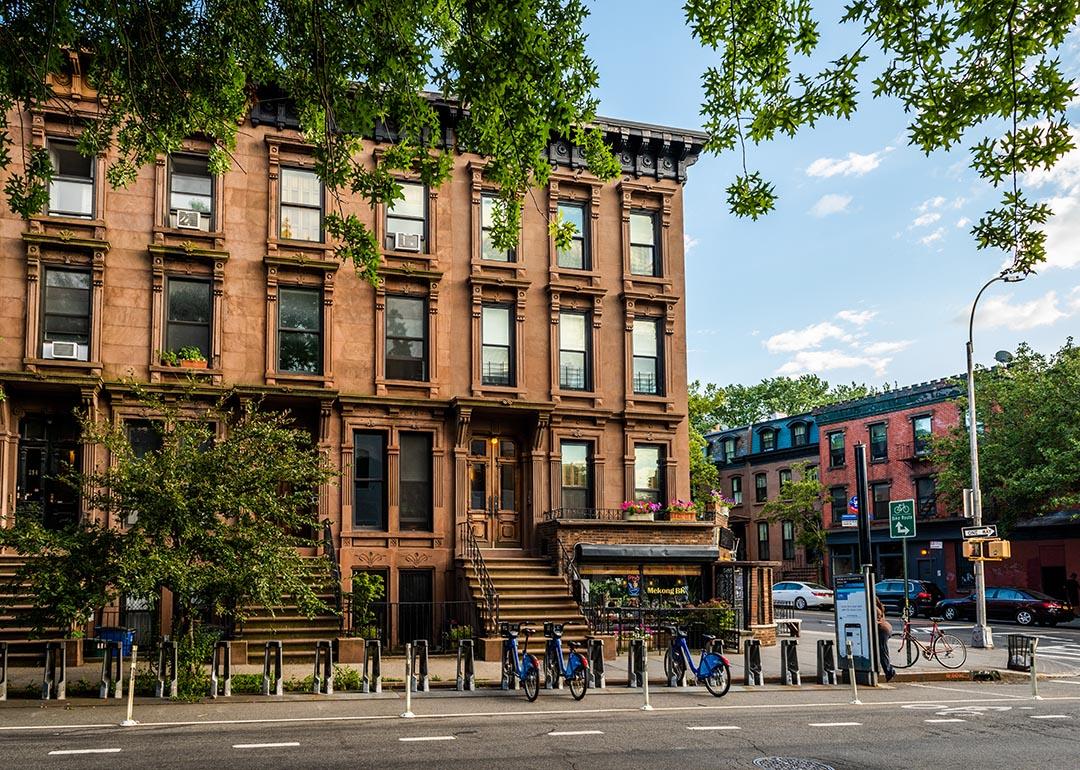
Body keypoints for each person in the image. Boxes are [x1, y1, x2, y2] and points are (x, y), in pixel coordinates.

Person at [876, 597, 896, 682]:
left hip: (882, 630)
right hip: (886, 628)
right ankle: (888, 670)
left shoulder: (874, 608)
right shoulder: (878, 606)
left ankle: (889, 672)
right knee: (883, 650)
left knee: (882, 651)